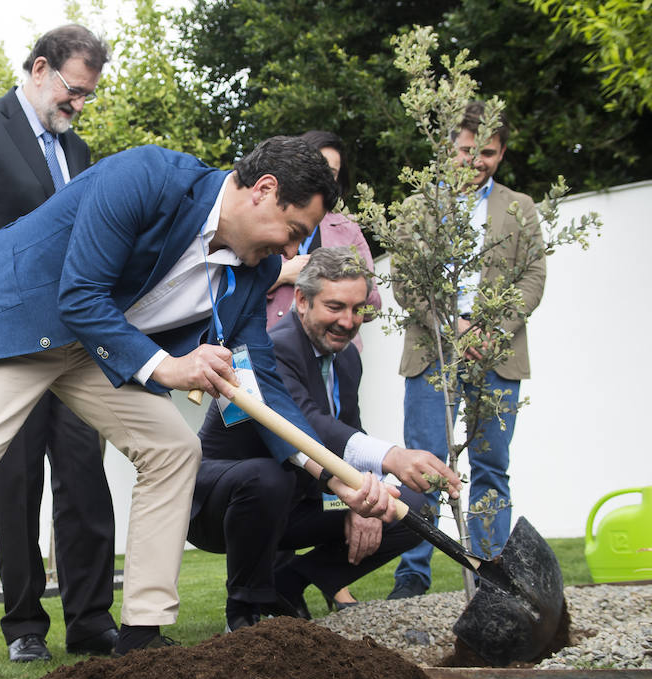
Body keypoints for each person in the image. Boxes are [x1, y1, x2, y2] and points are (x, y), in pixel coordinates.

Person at [0, 136, 401, 679]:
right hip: (15, 322)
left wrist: (332, 474)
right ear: (263, 191)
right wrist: (170, 367)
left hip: (96, 350)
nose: (295, 249)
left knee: (173, 448)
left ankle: (142, 639)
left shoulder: (253, 274)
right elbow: (80, 294)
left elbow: (260, 384)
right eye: (293, 229)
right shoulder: (147, 176)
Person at [0, 24, 118, 663]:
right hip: (6, 346)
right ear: (40, 69)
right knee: (15, 489)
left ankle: (94, 622)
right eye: (74, 90)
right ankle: (25, 630)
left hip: (70, 345)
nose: (79, 105)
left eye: (89, 96)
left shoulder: (82, 153)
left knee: (84, 482)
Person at [189, 247, 461, 632]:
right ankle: (245, 614)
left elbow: (351, 430)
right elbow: (309, 425)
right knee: (270, 477)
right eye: (335, 307)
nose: (348, 321)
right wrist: (392, 457)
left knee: (408, 506)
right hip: (222, 504)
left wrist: (365, 495)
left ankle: (290, 582)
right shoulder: (273, 348)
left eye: (357, 309)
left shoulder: (348, 359)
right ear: (301, 300)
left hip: (302, 499)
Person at [389, 102, 546, 599]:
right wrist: (450, 326)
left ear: (501, 153)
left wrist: (489, 329)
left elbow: (533, 276)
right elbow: (405, 280)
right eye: (466, 151)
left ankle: (490, 578)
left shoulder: (520, 207)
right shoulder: (418, 208)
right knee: (424, 464)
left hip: (495, 355)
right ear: (447, 149)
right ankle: (413, 576)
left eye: (489, 153)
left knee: (491, 468)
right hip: (432, 351)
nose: (477, 161)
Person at [266, 130, 380, 347]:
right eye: (317, 168)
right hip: (275, 348)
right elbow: (232, 293)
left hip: (336, 354)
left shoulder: (348, 228)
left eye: (332, 173)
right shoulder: (267, 218)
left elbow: (373, 304)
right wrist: (280, 276)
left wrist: (340, 287)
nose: (323, 179)